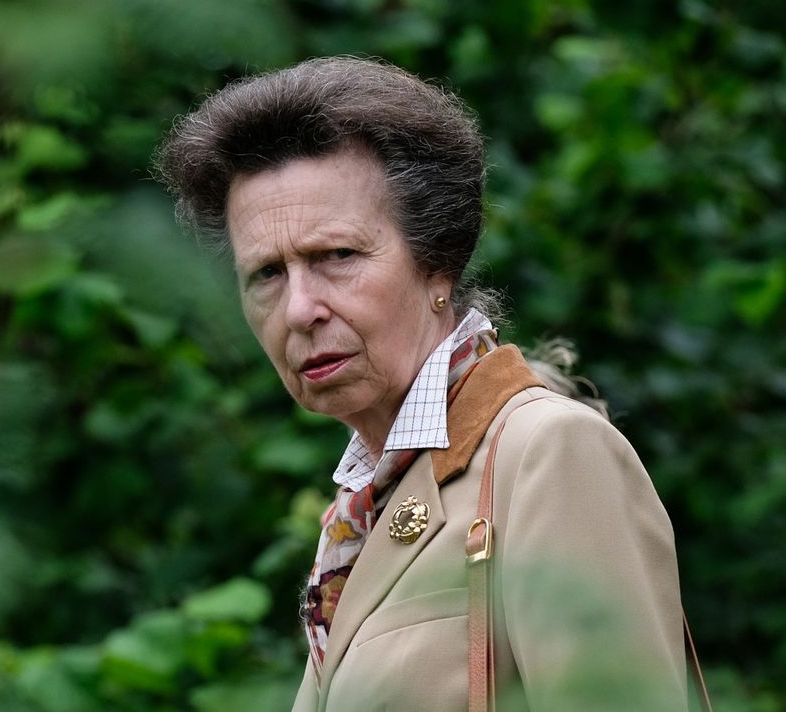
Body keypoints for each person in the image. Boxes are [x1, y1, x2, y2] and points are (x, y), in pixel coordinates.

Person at [155, 57, 687, 711]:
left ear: (438, 263)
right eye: (267, 274)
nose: (299, 309)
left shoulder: (550, 451)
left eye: (336, 257)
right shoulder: (366, 504)